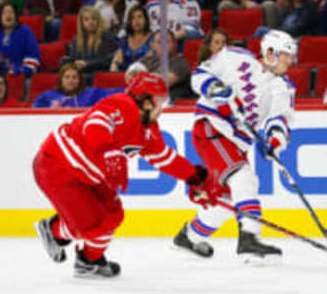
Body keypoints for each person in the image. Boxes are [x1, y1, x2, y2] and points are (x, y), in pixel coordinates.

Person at [33, 72, 222, 278]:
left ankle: (89, 261)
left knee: (113, 215)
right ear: (147, 101)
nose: (162, 108)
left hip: (88, 175)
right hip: (58, 167)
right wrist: (109, 151)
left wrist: (196, 177)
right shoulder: (123, 104)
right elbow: (95, 124)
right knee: (92, 226)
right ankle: (53, 230)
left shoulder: (148, 129)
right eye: (160, 102)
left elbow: (164, 158)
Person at [173, 29, 297, 263]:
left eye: (291, 56)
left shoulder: (283, 87)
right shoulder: (233, 56)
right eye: (285, 55)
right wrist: (214, 88)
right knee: (243, 178)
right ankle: (249, 237)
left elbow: (279, 119)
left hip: (236, 142)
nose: (289, 61)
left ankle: (189, 236)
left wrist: (274, 141)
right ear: (269, 52)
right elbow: (199, 74)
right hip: (212, 128)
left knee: (230, 199)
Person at [128, 30, 192, 100]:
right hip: (143, 101)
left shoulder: (181, 62)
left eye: (167, 41)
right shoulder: (145, 60)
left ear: (174, 44)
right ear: (152, 44)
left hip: (169, 103)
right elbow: (129, 77)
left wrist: (139, 78)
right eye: (159, 42)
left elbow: (161, 82)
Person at [60, 6, 119, 75]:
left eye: (94, 19)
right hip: (80, 74)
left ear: (98, 21)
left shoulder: (107, 36)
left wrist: (87, 64)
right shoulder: (76, 40)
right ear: (81, 23)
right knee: (64, 61)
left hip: (98, 73)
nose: (90, 22)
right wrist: (75, 63)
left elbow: (106, 61)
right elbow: (74, 59)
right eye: (86, 19)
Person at [32, 63, 122, 108]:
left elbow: (113, 93)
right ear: (61, 80)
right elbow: (35, 112)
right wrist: (51, 110)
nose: (71, 81)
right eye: (67, 77)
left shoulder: (90, 93)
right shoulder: (49, 95)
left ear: (80, 80)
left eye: (74, 77)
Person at [0, 2, 40, 76]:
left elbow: (33, 56)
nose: (8, 15)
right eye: (4, 12)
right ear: (0, 17)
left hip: (21, 75)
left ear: (16, 16)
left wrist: (19, 70)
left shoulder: (25, 32)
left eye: (11, 12)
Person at [110, 5, 152, 72]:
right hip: (124, 77)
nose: (136, 20)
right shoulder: (124, 40)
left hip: (146, 76)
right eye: (132, 18)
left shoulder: (154, 39)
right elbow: (116, 63)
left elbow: (152, 62)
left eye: (139, 17)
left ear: (146, 19)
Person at [253, 0, 319, 38]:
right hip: (282, 34)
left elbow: (299, 28)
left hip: (295, 37)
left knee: (261, 30)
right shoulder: (288, 7)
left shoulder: (310, 6)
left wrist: (278, 31)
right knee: (262, 31)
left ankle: (246, 45)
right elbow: (280, 24)